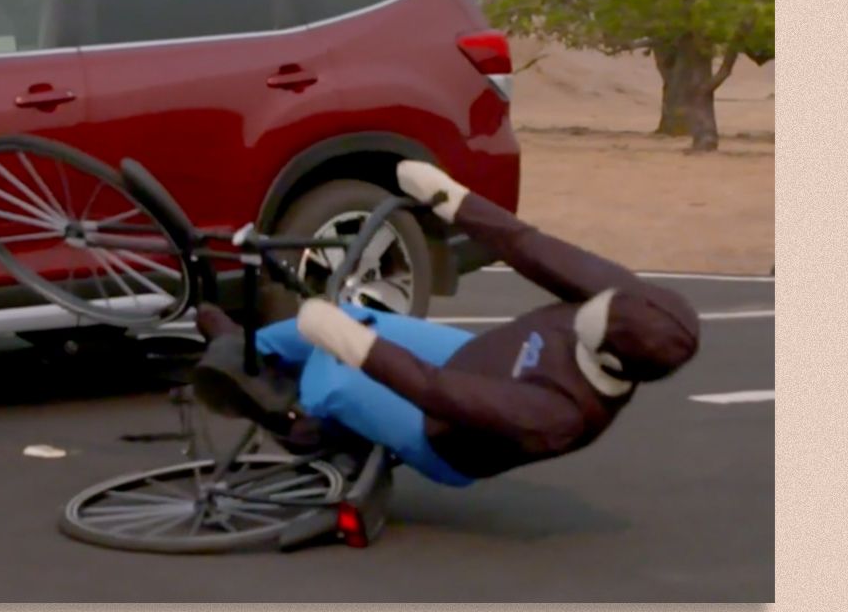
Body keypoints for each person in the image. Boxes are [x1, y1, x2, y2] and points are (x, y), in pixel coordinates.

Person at [191, 160, 701, 486]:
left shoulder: (559, 413)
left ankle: (292, 422)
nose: (591, 299)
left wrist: (354, 346)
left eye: (595, 313)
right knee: (347, 317)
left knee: (334, 374)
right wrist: (451, 198)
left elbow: (435, 392)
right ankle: (245, 348)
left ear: (608, 356)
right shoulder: (624, 303)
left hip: (442, 434)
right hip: (467, 360)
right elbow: (526, 246)